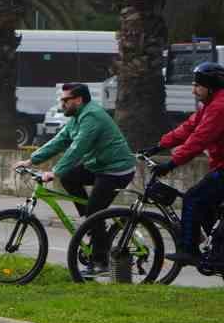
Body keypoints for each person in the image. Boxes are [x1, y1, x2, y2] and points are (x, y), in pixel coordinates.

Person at [19, 82, 135, 268]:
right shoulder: (77, 117)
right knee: (69, 178)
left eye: (65, 100)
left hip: (116, 169)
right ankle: (93, 225)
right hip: (99, 165)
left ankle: (100, 260)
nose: (62, 103)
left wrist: (55, 172)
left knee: (94, 211)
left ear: (78, 100)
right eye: (61, 100)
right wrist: (31, 160)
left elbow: (78, 147)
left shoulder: (92, 116)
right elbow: (60, 140)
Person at [145, 60, 224, 267]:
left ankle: (189, 251)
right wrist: (158, 146)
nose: (193, 90)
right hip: (220, 166)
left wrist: (171, 164)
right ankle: (218, 252)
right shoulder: (211, 105)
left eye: (197, 85)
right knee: (206, 205)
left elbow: (199, 140)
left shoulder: (219, 107)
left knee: (193, 198)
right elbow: (188, 128)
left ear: (211, 87)